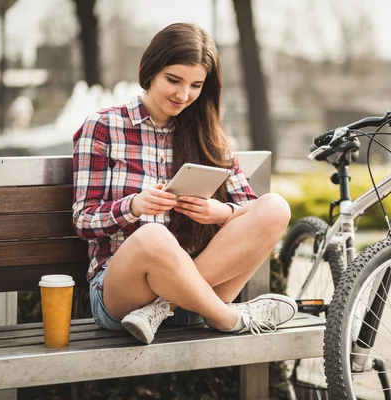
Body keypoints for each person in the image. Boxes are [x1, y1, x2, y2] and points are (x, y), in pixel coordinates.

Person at [72, 23, 296, 345]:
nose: (183, 95)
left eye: (195, 85)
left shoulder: (209, 136)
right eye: (173, 80)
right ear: (151, 70)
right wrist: (133, 206)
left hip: (194, 298)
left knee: (275, 207)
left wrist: (221, 213)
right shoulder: (103, 127)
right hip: (124, 299)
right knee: (154, 235)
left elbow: (253, 208)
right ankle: (231, 319)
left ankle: (165, 306)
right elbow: (83, 220)